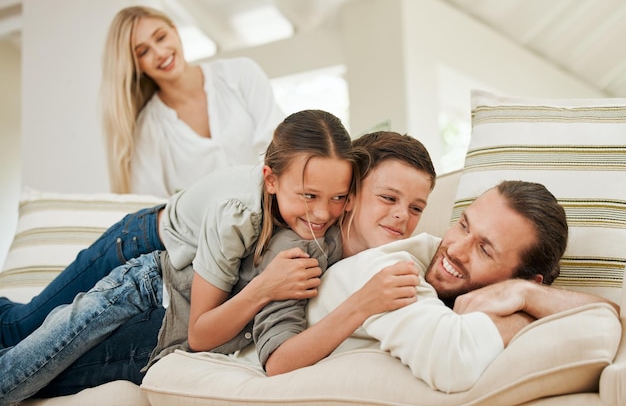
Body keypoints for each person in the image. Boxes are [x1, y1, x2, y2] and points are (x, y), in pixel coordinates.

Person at [0, 129, 437, 400]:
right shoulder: (295, 244)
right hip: (156, 298)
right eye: (388, 198)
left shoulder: (360, 248)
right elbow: (272, 355)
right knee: (18, 372)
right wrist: (360, 304)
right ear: (353, 192)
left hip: (170, 300)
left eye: (417, 206)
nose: (403, 215)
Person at [261, 180, 618, 394]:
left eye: (484, 248)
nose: (455, 249)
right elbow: (453, 362)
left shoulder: (518, 288)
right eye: (463, 225)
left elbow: (607, 316)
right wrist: (527, 312)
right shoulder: (393, 269)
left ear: (524, 276)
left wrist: (528, 295)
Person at [101, 5, 285, 196]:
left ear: (174, 30)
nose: (160, 53)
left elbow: (278, 146)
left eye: (161, 37)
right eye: (143, 52)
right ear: (136, 66)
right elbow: (151, 206)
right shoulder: (148, 130)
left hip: (273, 211)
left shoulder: (241, 74)